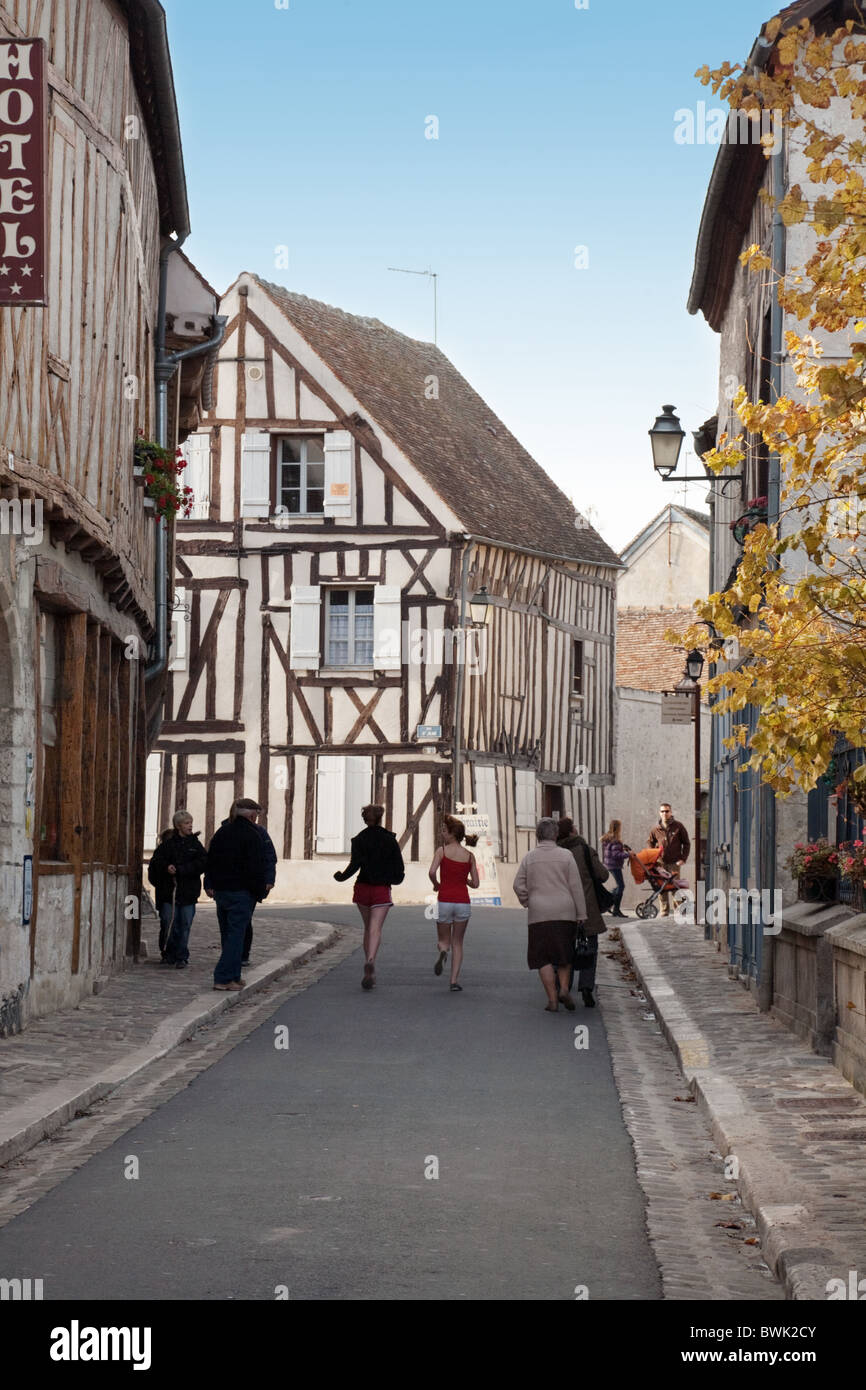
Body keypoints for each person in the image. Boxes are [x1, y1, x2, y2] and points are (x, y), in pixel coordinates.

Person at [513, 817, 588, 1012]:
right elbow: (576, 886)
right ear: (555, 835)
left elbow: (518, 885)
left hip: (539, 912)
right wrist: (581, 913)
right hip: (565, 911)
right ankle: (564, 988)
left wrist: (527, 900)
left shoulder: (530, 857)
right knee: (564, 953)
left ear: (538, 835)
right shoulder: (566, 856)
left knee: (542, 957)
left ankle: (552, 999)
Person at [334, 804, 404, 990]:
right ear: (381, 818)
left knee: (367, 928)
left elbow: (354, 865)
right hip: (381, 888)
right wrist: (393, 879)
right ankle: (371, 959)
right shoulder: (390, 840)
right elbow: (399, 868)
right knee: (375, 929)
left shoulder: (359, 839)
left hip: (362, 887)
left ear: (365, 819)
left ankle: (368, 962)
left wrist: (341, 876)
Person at [204, 800, 270, 990]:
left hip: (222, 891)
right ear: (251, 815)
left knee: (228, 935)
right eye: (256, 815)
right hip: (241, 892)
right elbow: (256, 866)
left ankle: (234, 976)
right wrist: (259, 892)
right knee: (235, 936)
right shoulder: (253, 835)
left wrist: (210, 884)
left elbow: (211, 861)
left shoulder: (222, 833)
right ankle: (223, 978)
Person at [557, 817, 610, 1007]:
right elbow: (603, 875)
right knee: (590, 947)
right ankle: (586, 987)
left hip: (562, 907)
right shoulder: (585, 850)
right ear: (572, 831)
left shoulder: (555, 853)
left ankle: (564, 985)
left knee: (565, 947)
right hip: (587, 907)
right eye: (574, 826)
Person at [428, 815, 480, 992]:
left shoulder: (441, 851)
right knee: (458, 942)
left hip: (445, 900)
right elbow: (476, 884)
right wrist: (464, 879)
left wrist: (436, 884)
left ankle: (443, 950)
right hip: (463, 903)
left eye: (444, 830)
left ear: (451, 834)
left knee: (444, 940)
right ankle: (453, 981)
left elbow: (432, 871)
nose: (442, 833)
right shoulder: (469, 856)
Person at [227, 799, 277, 967]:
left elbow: (270, 857)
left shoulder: (260, 832)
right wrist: (210, 883)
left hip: (249, 885)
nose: (256, 817)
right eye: (255, 814)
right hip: (229, 883)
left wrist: (269, 879)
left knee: (244, 920)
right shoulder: (225, 831)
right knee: (231, 921)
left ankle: (242, 954)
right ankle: (232, 954)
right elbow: (215, 859)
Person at [647, 802, 690, 917]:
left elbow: (686, 843)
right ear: (659, 813)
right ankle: (664, 911)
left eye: (667, 811)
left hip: (674, 863)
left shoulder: (678, 826)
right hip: (660, 863)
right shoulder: (655, 829)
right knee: (661, 887)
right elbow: (650, 844)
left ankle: (678, 911)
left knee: (675, 887)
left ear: (671, 812)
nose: (665, 813)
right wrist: (654, 860)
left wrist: (683, 858)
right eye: (662, 811)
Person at [600, 818, 628, 919]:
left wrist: (622, 848)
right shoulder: (615, 840)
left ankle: (610, 900)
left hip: (609, 865)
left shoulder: (608, 838)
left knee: (618, 886)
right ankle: (615, 909)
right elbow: (616, 854)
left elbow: (611, 851)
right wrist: (627, 854)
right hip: (615, 866)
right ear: (617, 828)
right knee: (621, 886)